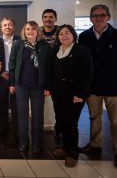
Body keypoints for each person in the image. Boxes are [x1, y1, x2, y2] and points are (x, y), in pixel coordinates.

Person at [78, 4, 117, 169]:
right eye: (95, 15)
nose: (98, 18)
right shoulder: (84, 36)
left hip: (113, 86)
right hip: (92, 86)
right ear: (90, 18)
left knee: (116, 121)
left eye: (102, 15)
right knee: (95, 118)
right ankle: (95, 144)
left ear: (107, 16)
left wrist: (112, 72)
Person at [51, 25, 93, 168]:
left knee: (71, 123)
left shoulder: (82, 51)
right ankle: (65, 147)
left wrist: (80, 94)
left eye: (67, 33)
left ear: (73, 35)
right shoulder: (56, 50)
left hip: (74, 94)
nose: (64, 36)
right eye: (61, 34)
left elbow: (87, 74)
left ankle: (72, 153)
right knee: (62, 121)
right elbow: (52, 72)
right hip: (58, 93)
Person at [9, 21, 52, 153]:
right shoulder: (18, 44)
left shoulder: (44, 46)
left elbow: (49, 67)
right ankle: (23, 143)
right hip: (21, 85)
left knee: (38, 115)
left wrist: (47, 86)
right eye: (27, 29)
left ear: (37, 31)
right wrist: (12, 84)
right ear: (24, 31)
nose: (30, 31)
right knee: (22, 115)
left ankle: (36, 143)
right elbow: (12, 65)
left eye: (33, 29)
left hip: (38, 86)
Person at [40, 9, 62, 140]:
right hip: (42, 73)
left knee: (59, 105)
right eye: (45, 17)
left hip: (58, 74)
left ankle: (59, 129)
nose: (48, 19)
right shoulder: (39, 32)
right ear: (42, 19)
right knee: (39, 104)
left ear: (55, 18)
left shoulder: (61, 31)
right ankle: (39, 128)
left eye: (51, 17)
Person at [0, 18, 20, 139]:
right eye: (5, 25)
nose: (7, 27)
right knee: (2, 106)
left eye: (10, 25)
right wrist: (1, 72)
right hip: (1, 77)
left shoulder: (20, 41)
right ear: (1, 28)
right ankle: (3, 133)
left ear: (14, 27)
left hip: (16, 78)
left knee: (16, 107)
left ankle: (16, 134)